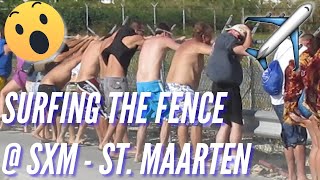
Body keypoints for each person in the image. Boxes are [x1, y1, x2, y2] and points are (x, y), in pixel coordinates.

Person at [159, 22, 213, 160]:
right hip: (182, 88)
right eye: (209, 37)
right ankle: (196, 154)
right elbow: (215, 51)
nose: (210, 40)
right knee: (196, 121)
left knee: (182, 122)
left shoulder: (187, 44)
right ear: (203, 36)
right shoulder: (196, 45)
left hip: (171, 86)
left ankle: (185, 153)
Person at [131, 22, 180, 162]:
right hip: (153, 84)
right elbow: (180, 48)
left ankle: (138, 153)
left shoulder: (147, 41)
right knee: (167, 117)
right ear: (165, 33)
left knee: (143, 120)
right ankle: (162, 152)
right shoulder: (164, 39)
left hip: (140, 83)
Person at [206, 24, 252, 162]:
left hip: (217, 86)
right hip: (229, 87)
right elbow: (246, 50)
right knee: (236, 122)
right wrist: (249, 33)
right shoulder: (229, 40)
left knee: (225, 122)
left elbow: (234, 56)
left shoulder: (219, 41)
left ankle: (219, 156)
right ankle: (233, 156)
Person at [32, 37, 92, 142]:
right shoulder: (61, 58)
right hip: (49, 87)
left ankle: (54, 136)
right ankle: (43, 132)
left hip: (46, 86)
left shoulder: (65, 62)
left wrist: (87, 42)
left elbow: (78, 52)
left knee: (54, 112)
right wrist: (88, 43)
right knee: (58, 112)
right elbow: (79, 53)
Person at [270, 35, 313, 180]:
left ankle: (291, 174)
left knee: (288, 137)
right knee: (298, 137)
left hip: (276, 99)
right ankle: (301, 175)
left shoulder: (282, 45)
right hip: (290, 99)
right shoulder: (302, 51)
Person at [98, 21, 145, 152]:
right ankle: (114, 147)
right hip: (118, 81)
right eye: (142, 31)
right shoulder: (133, 38)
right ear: (137, 30)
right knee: (123, 116)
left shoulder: (117, 41)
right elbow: (147, 43)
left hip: (108, 80)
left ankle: (105, 142)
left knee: (115, 116)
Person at [284, 34, 320, 180]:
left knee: (317, 146)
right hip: (315, 105)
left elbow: (291, 76)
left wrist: (290, 106)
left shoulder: (303, 58)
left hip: (305, 103)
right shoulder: (316, 61)